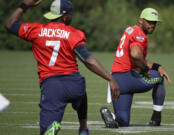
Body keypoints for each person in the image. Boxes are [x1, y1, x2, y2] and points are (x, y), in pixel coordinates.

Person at [5, 0, 120, 134]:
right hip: (74, 84)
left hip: (52, 86)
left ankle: (53, 128)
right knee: (81, 92)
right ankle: (83, 127)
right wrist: (110, 78)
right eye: (70, 14)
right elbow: (88, 60)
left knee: (46, 130)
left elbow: (10, 24)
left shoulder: (36, 30)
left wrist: (24, 5)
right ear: (65, 16)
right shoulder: (73, 33)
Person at [100, 8, 172, 128]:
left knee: (122, 121)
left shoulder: (131, 30)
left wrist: (156, 66)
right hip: (128, 78)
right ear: (140, 20)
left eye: (155, 23)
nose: (152, 25)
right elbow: (135, 55)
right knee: (160, 77)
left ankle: (110, 116)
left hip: (116, 81)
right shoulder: (139, 34)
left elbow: (138, 58)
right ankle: (156, 118)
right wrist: (145, 70)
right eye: (149, 21)